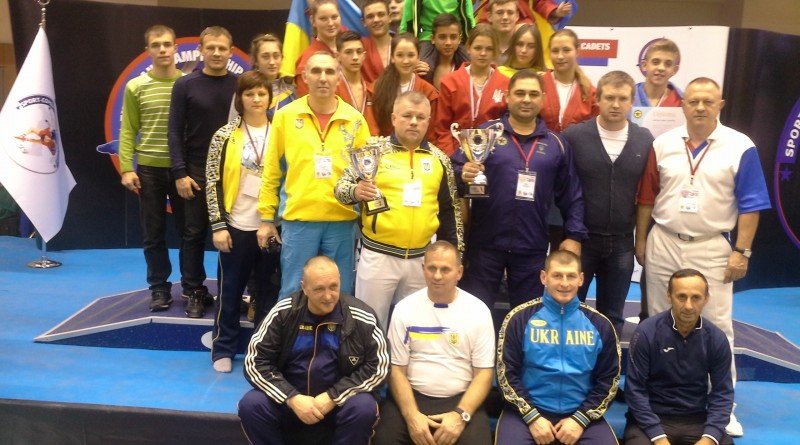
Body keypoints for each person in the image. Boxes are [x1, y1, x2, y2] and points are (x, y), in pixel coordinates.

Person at [635, 77, 771, 438]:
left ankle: (723, 407)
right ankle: (658, 400)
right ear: (683, 105)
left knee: (717, 325)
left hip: (712, 245)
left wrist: (742, 251)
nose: (699, 107)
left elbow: (752, 204)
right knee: (659, 321)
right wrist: (641, 240)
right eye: (693, 101)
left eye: (707, 102)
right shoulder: (663, 143)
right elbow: (647, 197)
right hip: (664, 239)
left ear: (720, 106)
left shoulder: (741, 146)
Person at [454, 69, 586, 309]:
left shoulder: (556, 144)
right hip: (485, 244)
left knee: (527, 315)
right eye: (520, 93)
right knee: (475, 312)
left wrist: (574, 236)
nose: (526, 99)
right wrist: (462, 173)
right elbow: (453, 169)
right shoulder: (485, 133)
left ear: (543, 98)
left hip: (531, 246)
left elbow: (572, 195)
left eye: (533, 94)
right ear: (507, 96)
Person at [335, 91, 462, 329]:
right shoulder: (372, 151)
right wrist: (355, 191)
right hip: (378, 256)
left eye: (420, 117)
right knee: (367, 327)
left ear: (428, 121)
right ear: (394, 118)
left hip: (421, 260)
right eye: (407, 116)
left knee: (415, 329)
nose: (414, 122)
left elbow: (450, 210)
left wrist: (456, 253)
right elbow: (340, 189)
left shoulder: (440, 160)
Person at [238, 256, 389, 445]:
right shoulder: (283, 313)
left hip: (338, 406)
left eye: (333, 287)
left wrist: (333, 396)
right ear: (304, 287)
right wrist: (291, 397)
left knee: (363, 406)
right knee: (252, 404)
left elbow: (379, 367)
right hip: (291, 405)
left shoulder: (362, 317)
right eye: (319, 289)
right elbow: (254, 362)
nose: (328, 296)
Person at [258, 52, 370, 301]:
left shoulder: (355, 120)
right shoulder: (286, 116)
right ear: (305, 76)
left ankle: (335, 330)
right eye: (316, 71)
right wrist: (266, 218)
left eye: (329, 71)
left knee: (339, 293)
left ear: (339, 77)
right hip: (299, 221)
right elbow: (272, 170)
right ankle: (291, 330)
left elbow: (366, 174)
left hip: (341, 220)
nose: (323, 77)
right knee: (293, 292)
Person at [374, 241, 495, 445]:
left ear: (459, 272)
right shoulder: (404, 309)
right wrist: (412, 416)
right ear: (423, 269)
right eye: (432, 268)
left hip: (461, 400)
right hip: (411, 397)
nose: (437, 276)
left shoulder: (479, 311)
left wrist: (460, 415)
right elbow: (396, 370)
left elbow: (483, 374)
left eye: (445, 269)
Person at [495, 250, 620, 445]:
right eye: (557, 275)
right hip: (526, 413)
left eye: (571, 276)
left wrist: (580, 419)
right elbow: (506, 374)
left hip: (581, 414)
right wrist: (532, 417)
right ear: (544, 277)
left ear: (581, 279)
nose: (564, 283)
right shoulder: (519, 319)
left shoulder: (600, 324)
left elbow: (609, 379)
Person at [563, 71, 654, 335]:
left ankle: (608, 363)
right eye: (610, 98)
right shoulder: (574, 137)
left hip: (622, 243)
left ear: (632, 101)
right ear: (598, 99)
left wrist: (640, 240)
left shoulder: (644, 140)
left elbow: (647, 195)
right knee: (568, 311)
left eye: (622, 99)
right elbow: (561, 189)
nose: (616, 104)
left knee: (612, 318)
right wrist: (567, 235)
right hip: (581, 240)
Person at [205, 71, 277, 373]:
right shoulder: (224, 136)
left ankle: (262, 352)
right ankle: (223, 347)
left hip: (272, 226)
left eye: (261, 93)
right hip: (236, 226)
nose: (256, 99)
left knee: (268, 293)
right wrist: (218, 225)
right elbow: (212, 182)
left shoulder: (282, 132)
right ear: (240, 98)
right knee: (230, 291)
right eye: (250, 94)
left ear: (270, 97)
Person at [168, 26, 237, 318]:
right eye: (211, 48)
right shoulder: (185, 85)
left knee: (235, 235)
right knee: (193, 234)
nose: (217, 53)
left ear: (231, 52)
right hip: (195, 172)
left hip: (232, 172)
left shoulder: (241, 85)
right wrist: (180, 173)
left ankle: (232, 290)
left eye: (222, 48)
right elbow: (174, 131)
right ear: (201, 50)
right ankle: (194, 290)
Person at [624, 269, 734, 445]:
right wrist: (658, 437)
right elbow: (634, 390)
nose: (689, 306)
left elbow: (723, 393)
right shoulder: (646, 333)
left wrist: (709, 438)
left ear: (706, 299)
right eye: (681, 297)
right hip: (651, 417)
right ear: (669, 296)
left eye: (696, 297)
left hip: (696, 419)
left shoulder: (716, 338)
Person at [118, 25, 184, 312]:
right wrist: (126, 168)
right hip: (149, 169)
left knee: (190, 233)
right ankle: (158, 287)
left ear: (175, 48)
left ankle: (192, 286)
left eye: (167, 44)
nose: (162, 49)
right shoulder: (135, 86)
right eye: (156, 45)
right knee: (153, 233)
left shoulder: (188, 84)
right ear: (147, 50)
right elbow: (128, 129)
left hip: (183, 170)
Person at [435, 23, 509, 156]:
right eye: (478, 48)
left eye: (489, 49)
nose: (483, 53)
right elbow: (442, 129)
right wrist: (454, 158)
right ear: (468, 48)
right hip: (457, 154)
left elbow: (508, 128)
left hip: (495, 155)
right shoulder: (450, 82)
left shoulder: (506, 84)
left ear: (495, 52)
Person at [372, 34, 438, 140]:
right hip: (384, 146)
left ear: (418, 57)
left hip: (417, 147)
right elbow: (373, 127)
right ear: (392, 58)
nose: (406, 61)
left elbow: (431, 132)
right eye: (400, 55)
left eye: (411, 55)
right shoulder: (376, 88)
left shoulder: (428, 92)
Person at [540, 29, 598, 133]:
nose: (560, 56)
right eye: (555, 51)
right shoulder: (537, 85)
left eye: (566, 50)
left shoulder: (590, 93)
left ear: (577, 52)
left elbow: (595, 132)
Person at [335, 31, 379, 135]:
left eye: (359, 52)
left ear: (364, 55)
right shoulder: (332, 90)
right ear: (338, 56)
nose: (355, 57)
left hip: (370, 143)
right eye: (348, 52)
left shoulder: (372, 90)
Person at [295, 0, 340, 97]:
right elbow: (306, 101)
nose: (330, 23)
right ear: (313, 20)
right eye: (323, 19)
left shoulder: (347, 52)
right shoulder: (308, 60)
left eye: (334, 17)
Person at [249, 33, 296, 120]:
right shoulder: (246, 88)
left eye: (276, 56)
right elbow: (233, 125)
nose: (272, 62)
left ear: (282, 58)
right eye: (265, 57)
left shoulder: (292, 87)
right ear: (256, 60)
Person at [418, 13, 470, 90]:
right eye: (442, 37)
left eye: (453, 37)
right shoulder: (421, 67)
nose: (448, 43)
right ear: (433, 39)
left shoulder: (468, 69)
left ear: (459, 39)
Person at [634, 39, 682, 108]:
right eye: (655, 62)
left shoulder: (682, 102)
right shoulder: (628, 96)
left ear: (675, 70)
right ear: (644, 65)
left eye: (668, 64)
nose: (661, 68)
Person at [399, 0, 475, 43]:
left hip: (455, 39)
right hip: (429, 38)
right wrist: (404, 41)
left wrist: (471, 41)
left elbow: (468, 19)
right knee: (423, 65)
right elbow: (408, 20)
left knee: (468, 63)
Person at [360, 0, 392, 83]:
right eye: (370, 16)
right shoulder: (358, 48)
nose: (376, 20)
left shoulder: (404, 45)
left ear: (389, 17)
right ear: (364, 22)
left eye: (381, 14)